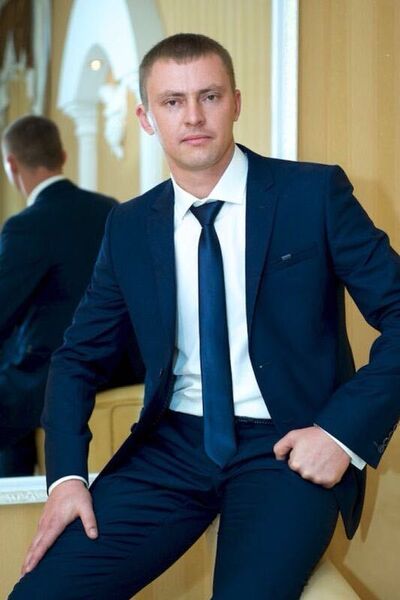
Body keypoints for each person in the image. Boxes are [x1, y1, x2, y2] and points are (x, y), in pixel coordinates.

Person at [9, 34, 400, 599]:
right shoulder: (129, 226)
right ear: (147, 118)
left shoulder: (312, 194)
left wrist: (340, 433)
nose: (192, 116)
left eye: (209, 96)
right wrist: (66, 477)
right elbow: (77, 358)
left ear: (235, 103)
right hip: (171, 446)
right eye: (172, 101)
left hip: (286, 445)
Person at [0, 115, 144, 477]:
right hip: (123, 367)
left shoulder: (26, 225)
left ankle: (15, 497)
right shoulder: (110, 208)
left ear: (11, 164)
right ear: (63, 156)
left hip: (56, 374)